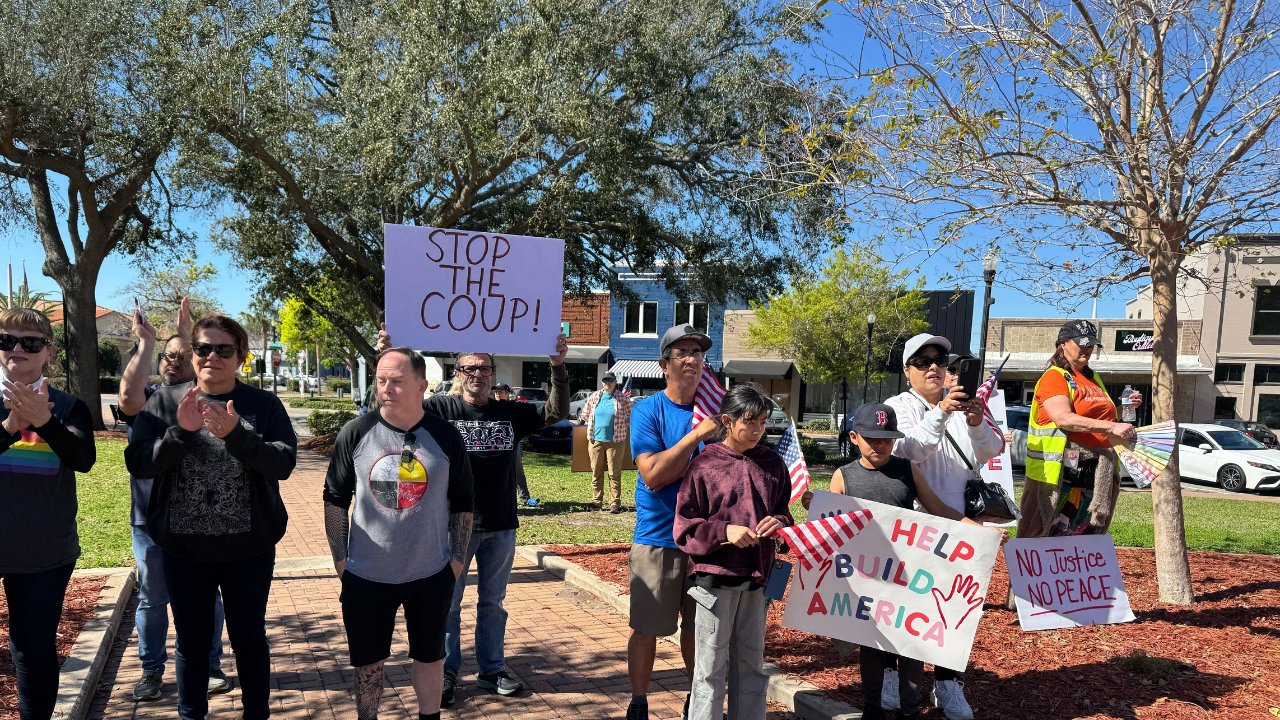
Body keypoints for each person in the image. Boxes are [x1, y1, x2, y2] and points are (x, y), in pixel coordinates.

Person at [374, 325, 569, 705]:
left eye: (483, 368)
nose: (476, 374)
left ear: (493, 374)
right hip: (451, 526)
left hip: (500, 525)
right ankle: (446, 672)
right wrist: (388, 355)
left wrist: (558, 367)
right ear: (457, 373)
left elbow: (555, 412)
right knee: (448, 604)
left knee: (493, 604)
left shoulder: (509, 412)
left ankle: (491, 671)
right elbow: (391, 407)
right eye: (469, 368)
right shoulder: (438, 410)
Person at [125, 314, 297, 720]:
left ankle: (256, 713)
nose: (211, 357)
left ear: (240, 356)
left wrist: (237, 435)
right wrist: (180, 433)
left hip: (248, 550)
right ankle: (191, 715)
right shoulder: (166, 402)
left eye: (224, 349)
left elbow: (284, 463)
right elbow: (139, 464)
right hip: (184, 550)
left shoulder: (262, 404)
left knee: (249, 638)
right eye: (203, 348)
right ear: (192, 353)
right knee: (191, 642)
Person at [800, 404, 1005, 720]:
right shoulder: (844, 476)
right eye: (871, 438)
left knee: (911, 646)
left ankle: (911, 712)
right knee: (871, 648)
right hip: (866, 578)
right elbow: (833, 523)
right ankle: (872, 708)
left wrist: (982, 531)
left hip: (906, 575)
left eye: (887, 438)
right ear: (854, 437)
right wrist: (814, 505)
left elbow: (939, 510)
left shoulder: (908, 469)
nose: (879, 445)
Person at [322, 347, 474, 720]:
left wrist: (455, 562)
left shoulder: (445, 436)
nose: (385, 388)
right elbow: (334, 499)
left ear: (422, 385)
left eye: (397, 381)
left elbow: (464, 502)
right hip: (367, 574)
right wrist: (341, 561)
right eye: (381, 380)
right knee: (368, 662)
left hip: (430, 572)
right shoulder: (356, 432)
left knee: (430, 656)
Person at [884, 334, 1003, 720]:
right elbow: (911, 449)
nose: (933, 366)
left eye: (940, 359)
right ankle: (889, 674)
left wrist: (976, 421)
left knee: (957, 607)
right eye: (922, 361)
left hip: (965, 523)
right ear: (907, 372)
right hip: (914, 526)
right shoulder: (897, 406)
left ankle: (948, 683)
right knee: (905, 605)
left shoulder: (965, 403)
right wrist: (942, 412)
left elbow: (992, 450)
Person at [117, 298, 229, 701]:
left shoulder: (206, 397)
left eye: (181, 356)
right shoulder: (148, 399)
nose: (171, 362)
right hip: (149, 519)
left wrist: (185, 334)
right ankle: (151, 672)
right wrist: (146, 343)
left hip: (199, 520)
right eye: (166, 357)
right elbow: (127, 394)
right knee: (153, 598)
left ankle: (210, 663)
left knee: (206, 596)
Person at [673, 384, 792, 720]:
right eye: (749, 422)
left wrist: (780, 523)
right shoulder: (704, 465)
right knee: (710, 666)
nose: (756, 430)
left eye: (762, 423)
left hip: (757, 579)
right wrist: (724, 531)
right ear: (727, 419)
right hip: (715, 581)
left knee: (752, 664)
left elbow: (784, 511)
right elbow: (685, 529)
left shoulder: (772, 462)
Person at [0, 308, 96, 720]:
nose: (17, 349)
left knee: (33, 648)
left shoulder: (69, 406)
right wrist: (8, 427)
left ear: (48, 352)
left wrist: (45, 422)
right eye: (7, 341)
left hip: (44, 553)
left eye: (30, 343)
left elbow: (84, 459)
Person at [626, 324, 722, 720]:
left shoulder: (719, 413)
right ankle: (639, 701)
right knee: (647, 627)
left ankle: (695, 701)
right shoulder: (648, 410)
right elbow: (652, 474)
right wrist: (695, 436)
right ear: (664, 364)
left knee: (700, 631)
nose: (691, 359)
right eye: (682, 352)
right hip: (658, 538)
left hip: (707, 542)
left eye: (697, 353)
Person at [1019, 320, 1138, 540]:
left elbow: (1103, 419)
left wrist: (1125, 408)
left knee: (1082, 537)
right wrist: (1113, 426)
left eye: (1092, 345)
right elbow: (1063, 418)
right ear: (1063, 343)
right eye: (1082, 343)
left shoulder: (1093, 378)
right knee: (1045, 535)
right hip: (1062, 474)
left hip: (1095, 473)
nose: (1088, 349)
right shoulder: (1055, 376)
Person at [580, 372, 632, 513]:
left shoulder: (622, 398)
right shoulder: (595, 396)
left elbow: (631, 415)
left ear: (615, 382)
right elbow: (584, 414)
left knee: (614, 473)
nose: (607, 382)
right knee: (596, 471)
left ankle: (615, 503)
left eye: (610, 380)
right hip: (595, 440)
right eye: (605, 380)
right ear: (602, 382)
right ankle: (596, 502)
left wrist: (623, 425)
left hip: (615, 441)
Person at [493, 383, 538, 508]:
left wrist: (520, 447)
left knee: (518, 471)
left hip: (513, 443)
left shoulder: (514, 408)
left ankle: (525, 498)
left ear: (507, 394)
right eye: (496, 391)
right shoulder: (489, 407)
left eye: (500, 392)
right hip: (495, 445)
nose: (497, 393)